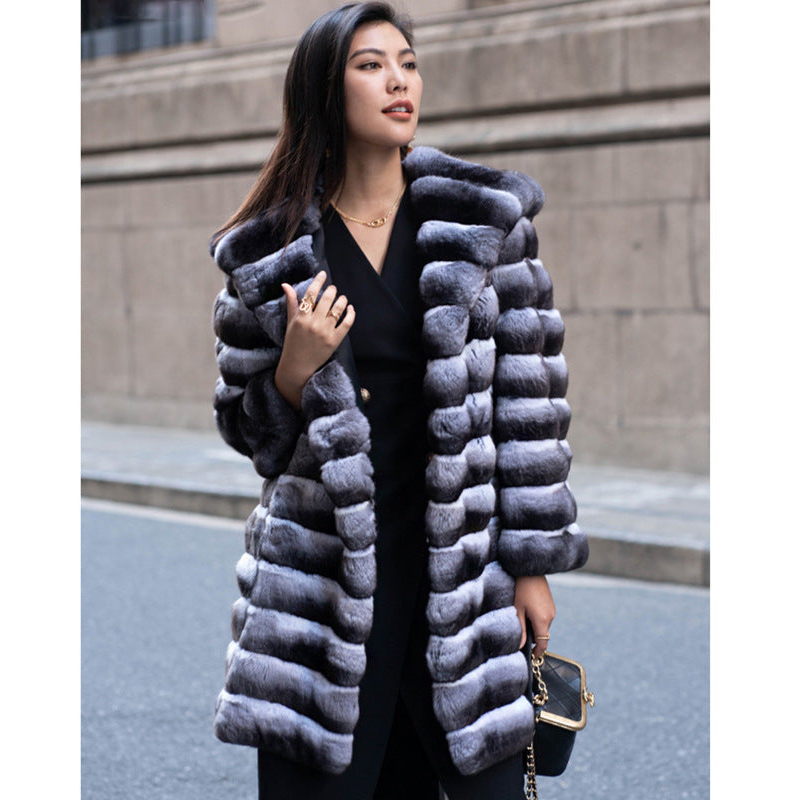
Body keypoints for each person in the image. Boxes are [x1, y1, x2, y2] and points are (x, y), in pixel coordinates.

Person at [209, 3, 588, 798]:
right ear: (325, 88)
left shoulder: (486, 224)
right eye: (371, 65)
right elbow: (254, 439)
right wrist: (293, 371)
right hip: (324, 594)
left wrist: (532, 568)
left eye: (407, 63)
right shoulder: (269, 254)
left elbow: (531, 410)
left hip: (460, 582)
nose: (398, 81)